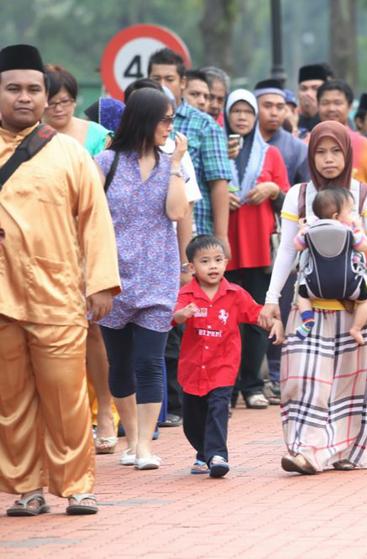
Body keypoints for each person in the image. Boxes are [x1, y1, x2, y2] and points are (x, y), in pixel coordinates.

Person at [0, 43, 120, 517]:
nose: (24, 97)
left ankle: (77, 486)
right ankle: (26, 487)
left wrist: (101, 284)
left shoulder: (69, 153)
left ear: (46, 95)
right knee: (10, 402)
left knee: (68, 397)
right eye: (13, 89)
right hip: (2, 297)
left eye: (33, 89)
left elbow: (96, 221)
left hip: (58, 294)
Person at [261, 121, 367, 474]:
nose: (328, 159)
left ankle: (344, 451)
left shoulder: (365, 195)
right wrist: (272, 297)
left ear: (348, 153)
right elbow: (286, 253)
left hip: (355, 306)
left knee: (352, 384)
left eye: (336, 151)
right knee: (304, 378)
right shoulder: (299, 195)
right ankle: (306, 449)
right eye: (320, 152)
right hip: (309, 306)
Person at [94, 88, 190, 470]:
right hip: (112, 276)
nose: (170, 127)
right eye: (165, 119)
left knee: (151, 361)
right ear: (145, 120)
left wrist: (178, 163)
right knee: (119, 364)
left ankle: (147, 447)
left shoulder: (173, 164)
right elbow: (88, 218)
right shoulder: (105, 162)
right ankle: (132, 439)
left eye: (172, 120)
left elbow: (176, 211)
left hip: (158, 277)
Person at [42, 64, 118, 454]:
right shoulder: (28, 139)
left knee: (94, 329)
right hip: (43, 245)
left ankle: (104, 410)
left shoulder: (97, 138)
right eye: (52, 102)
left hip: (86, 240)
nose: (59, 109)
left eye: (66, 101)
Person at [173, 235, 267, 478]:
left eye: (218, 260)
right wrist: (184, 313)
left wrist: (274, 323)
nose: (213, 266)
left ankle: (218, 456)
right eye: (205, 261)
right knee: (192, 419)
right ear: (192, 267)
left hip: (223, 367)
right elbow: (173, 317)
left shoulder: (235, 294)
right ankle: (202, 452)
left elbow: (256, 314)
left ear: (226, 262)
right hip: (193, 369)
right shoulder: (187, 294)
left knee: (218, 409)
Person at [224, 89, 288, 409]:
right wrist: (222, 193)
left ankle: (252, 383)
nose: (242, 118)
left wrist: (273, 188)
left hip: (259, 245)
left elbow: (287, 197)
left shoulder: (271, 154)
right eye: (236, 112)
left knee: (258, 317)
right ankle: (228, 384)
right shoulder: (218, 149)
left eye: (247, 112)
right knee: (227, 317)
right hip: (226, 245)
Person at [148, 48, 232, 244]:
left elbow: (218, 182)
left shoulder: (204, 124)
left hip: (196, 230)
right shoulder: (140, 120)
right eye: (156, 78)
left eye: (169, 79)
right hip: (152, 231)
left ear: (182, 83)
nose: (162, 85)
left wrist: (221, 236)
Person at [291, 187, 367, 345]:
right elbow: (364, 246)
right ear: (337, 216)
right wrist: (359, 228)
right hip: (349, 284)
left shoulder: (309, 231)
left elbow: (298, 246)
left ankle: (307, 320)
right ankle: (356, 328)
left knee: (301, 295)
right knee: (365, 300)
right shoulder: (349, 231)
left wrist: (302, 230)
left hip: (315, 287)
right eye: (350, 212)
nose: (353, 216)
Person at [317, 79, 367, 184]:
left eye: (337, 103)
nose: (331, 108)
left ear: (350, 106)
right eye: (325, 103)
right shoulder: (305, 145)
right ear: (318, 105)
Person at [43, 64, 110, 155]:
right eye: (51, 103)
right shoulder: (27, 135)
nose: (58, 109)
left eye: (64, 101)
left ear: (74, 101)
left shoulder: (99, 136)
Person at [254, 79, 310, 186]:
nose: (274, 113)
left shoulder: (299, 149)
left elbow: (305, 193)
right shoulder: (240, 144)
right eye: (267, 106)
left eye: (280, 107)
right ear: (254, 108)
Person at [297, 63, 332, 134]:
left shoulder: (333, 117)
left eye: (315, 88)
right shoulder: (292, 119)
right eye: (303, 89)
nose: (308, 94)